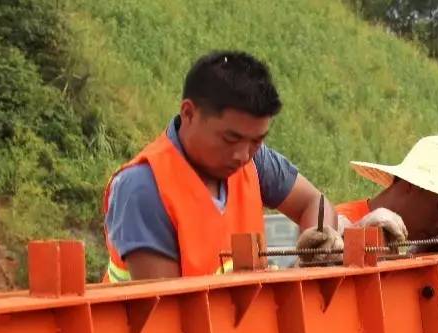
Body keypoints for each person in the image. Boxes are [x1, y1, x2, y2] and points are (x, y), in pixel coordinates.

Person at [102, 51, 397, 282]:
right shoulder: (144, 187)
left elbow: (314, 203)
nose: (243, 155)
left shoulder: (255, 160)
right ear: (189, 113)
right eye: (231, 138)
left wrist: (314, 254)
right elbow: (165, 317)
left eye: (257, 140)